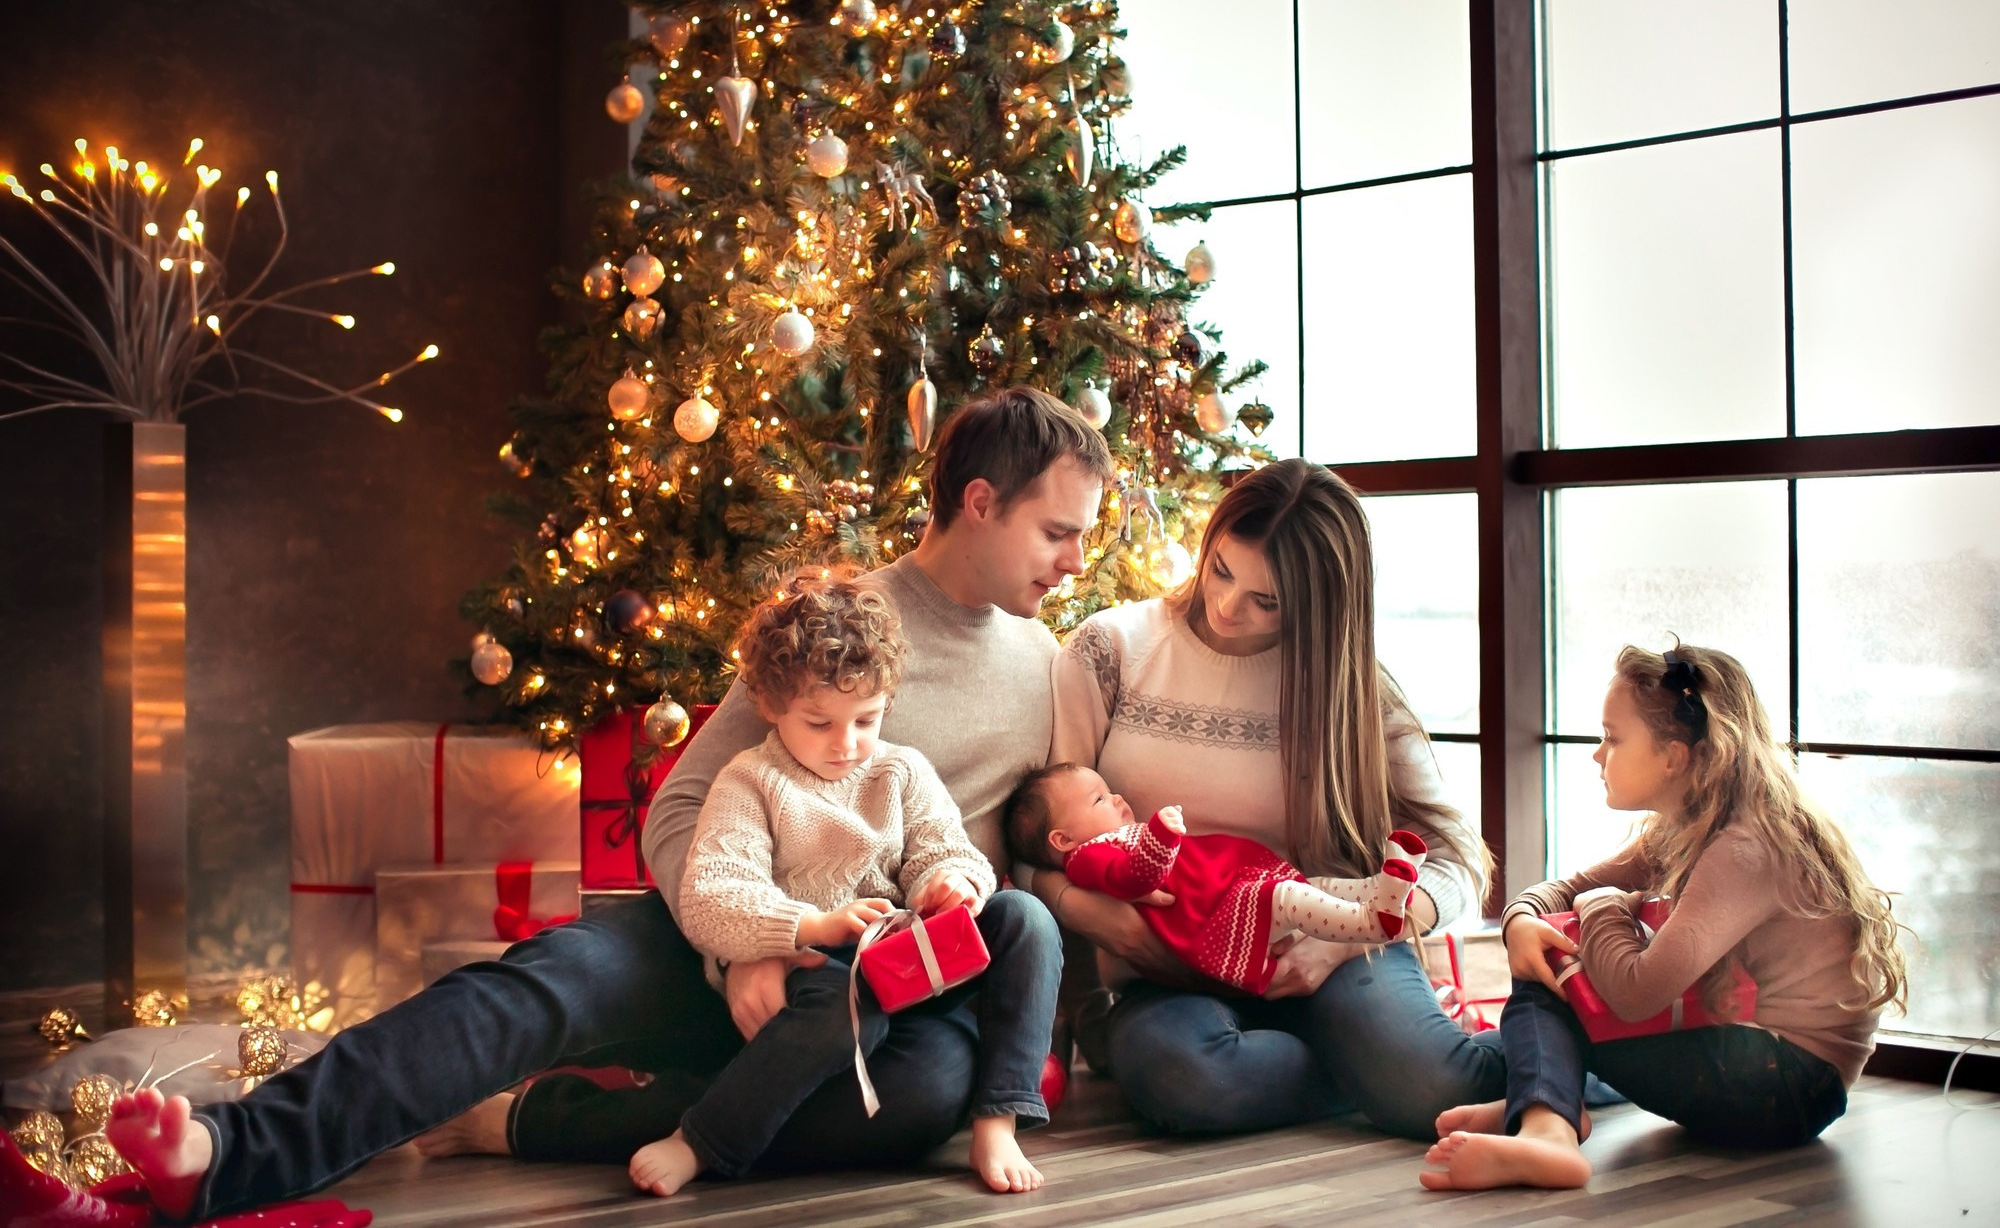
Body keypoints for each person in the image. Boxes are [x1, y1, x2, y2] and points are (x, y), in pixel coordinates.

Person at [106, 387, 1112, 1222]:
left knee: (919, 1095)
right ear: (979, 501)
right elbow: (681, 812)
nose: (1073, 560)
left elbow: (1032, 860)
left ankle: (541, 1122)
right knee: (541, 979)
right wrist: (745, 946)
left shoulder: (1044, 663)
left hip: (886, 995)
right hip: (735, 934)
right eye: (1058, 530)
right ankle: (226, 1145)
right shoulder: (842, 625)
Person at [1031, 457, 1503, 1139]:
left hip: (1324, 948)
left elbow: (1458, 858)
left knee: (1435, 1083)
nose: (1226, 607)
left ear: (1320, 603)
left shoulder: (1355, 688)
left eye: (1268, 601)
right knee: (1186, 1080)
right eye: (1222, 570)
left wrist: (1341, 949)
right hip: (1167, 971)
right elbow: (1043, 840)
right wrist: (1097, 918)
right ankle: (1370, 1074)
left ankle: (1596, 1055)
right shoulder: (1110, 651)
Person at [1418, 643, 1906, 1191]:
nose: (1598, 755)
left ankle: (1546, 1125)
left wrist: (1600, 904)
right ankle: (1544, 1108)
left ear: (1674, 756)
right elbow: (1559, 889)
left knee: (1556, 982)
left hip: (1786, 1087)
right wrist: (1519, 922)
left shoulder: (1744, 848)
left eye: (1613, 737)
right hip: (1769, 1072)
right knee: (1547, 961)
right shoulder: (1694, 824)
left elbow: (1634, 993)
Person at [630, 573, 1057, 1197]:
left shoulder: (901, 770)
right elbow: (712, 897)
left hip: (910, 955)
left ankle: (999, 1120)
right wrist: (810, 926)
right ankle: (702, 1140)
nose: (848, 744)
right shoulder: (749, 782)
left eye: (866, 719)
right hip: (822, 973)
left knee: (1025, 917)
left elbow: (946, 849)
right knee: (847, 1013)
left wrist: (949, 884)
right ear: (773, 705)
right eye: (820, 722)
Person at [1005, 763, 1429, 993]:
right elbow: (1132, 880)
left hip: (1230, 889)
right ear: (1062, 839)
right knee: (1290, 899)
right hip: (1218, 919)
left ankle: (1379, 891)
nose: (1115, 796)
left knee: (1312, 888)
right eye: (1099, 797)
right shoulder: (1088, 859)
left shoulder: (1114, 838)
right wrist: (1162, 835)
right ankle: (1372, 923)